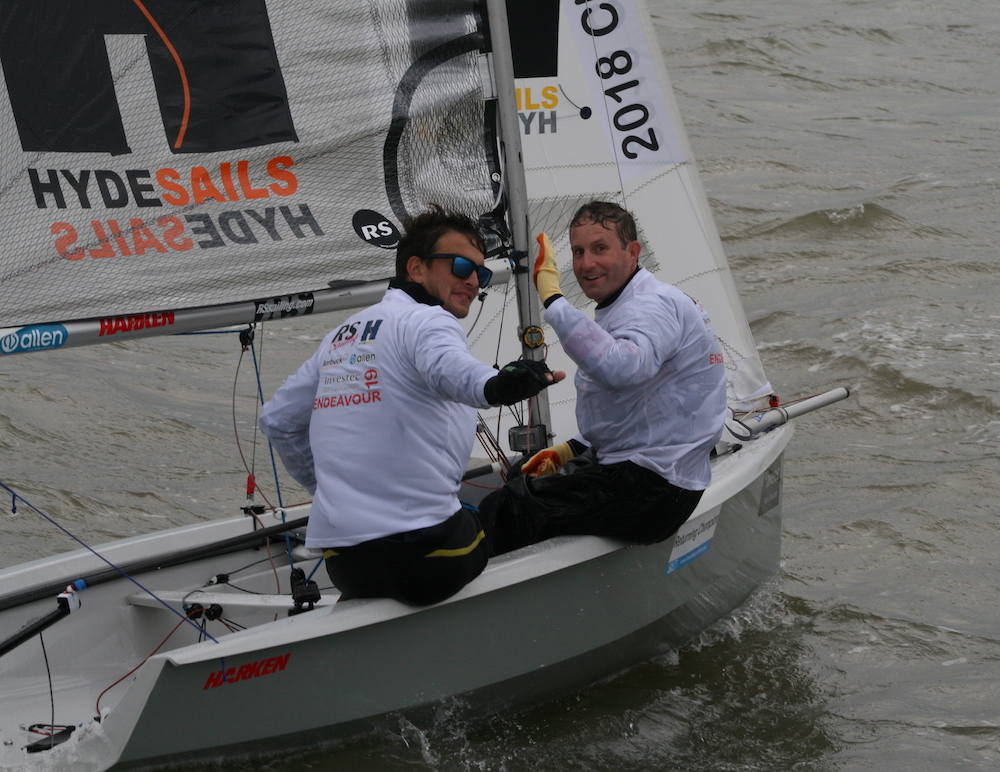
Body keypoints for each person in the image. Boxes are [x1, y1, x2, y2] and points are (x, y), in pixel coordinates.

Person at [259, 205, 563, 605]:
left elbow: (277, 419)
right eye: (459, 266)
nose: (474, 281)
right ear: (416, 268)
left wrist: (332, 490)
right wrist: (499, 386)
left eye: (481, 272)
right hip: (428, 561)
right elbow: (452, 372)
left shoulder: (341, 336)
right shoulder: (429, 321)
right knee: (515, 510)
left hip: (348, 566)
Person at [481, 200, 728, 555]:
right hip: (651, 476)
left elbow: (622, 369)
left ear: (633, 251)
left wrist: (553, 299)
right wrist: (572, 448)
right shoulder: (636, 300)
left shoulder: (650, 306)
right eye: (578, 251)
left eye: (600, 249)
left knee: (512, 506)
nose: (586, 264)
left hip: (653, 490)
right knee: (524, 473)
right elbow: (638, 406)